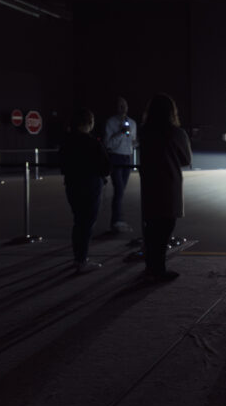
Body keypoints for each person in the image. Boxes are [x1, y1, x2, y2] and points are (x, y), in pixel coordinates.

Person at [139, 93, 191, 282]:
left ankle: (150, 266)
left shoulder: (144, 132)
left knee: (151, 228)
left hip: (149, 185)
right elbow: (186, 160)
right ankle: (158, 269)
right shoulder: (177, 133)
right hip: (168, 184)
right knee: (165, 227)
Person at [59, 108, 111, 274]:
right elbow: (106, 166)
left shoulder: (67, 142)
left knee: (78, 221)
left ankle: (78, 257)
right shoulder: (92, 142)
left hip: (72, 184)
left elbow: (63, 165)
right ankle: (82, 260)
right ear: (88, 123)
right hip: (90, 185)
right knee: (87, 223)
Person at [104, 97, 138, 233]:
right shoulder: (110, 123)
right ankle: (117, 221)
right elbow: (108, 144)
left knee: (121, 190)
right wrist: (120, 133)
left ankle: (117, 221)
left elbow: (133, 141)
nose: (123, 108)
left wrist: (138, 143)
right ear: (116, 108)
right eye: (120, 106)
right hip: (115, 157)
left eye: (125, 105)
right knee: (118, 190)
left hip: (127, 158)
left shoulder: (133, 123)